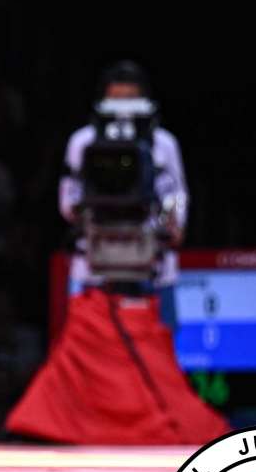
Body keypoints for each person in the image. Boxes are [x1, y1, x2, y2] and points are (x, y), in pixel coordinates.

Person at [57, 60, 189, 299]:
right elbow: (68, 198)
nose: (123, 108)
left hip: (153, 268)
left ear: (144, 100)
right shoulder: (82, 142)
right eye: (116, 99)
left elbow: (177, 194)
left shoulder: (164, 144)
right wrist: (84, 210)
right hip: (93, 268)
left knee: (154, 336)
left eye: (130, 99)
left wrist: (174, 222)